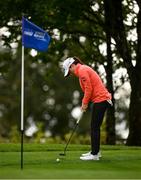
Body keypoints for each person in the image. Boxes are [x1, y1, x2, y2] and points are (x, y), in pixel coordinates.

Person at [62, 56, 112, 161]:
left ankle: (94, 154)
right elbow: (88, 89)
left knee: (94, 127)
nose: (71, 73)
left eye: (70, 70)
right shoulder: (82, 70)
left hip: (101, 99)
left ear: (72, 66)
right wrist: (85, 103)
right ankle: (95, 151)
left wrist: (84, 103)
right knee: (94, 127)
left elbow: (89, 88)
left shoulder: (82, 71)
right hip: (100, 100)